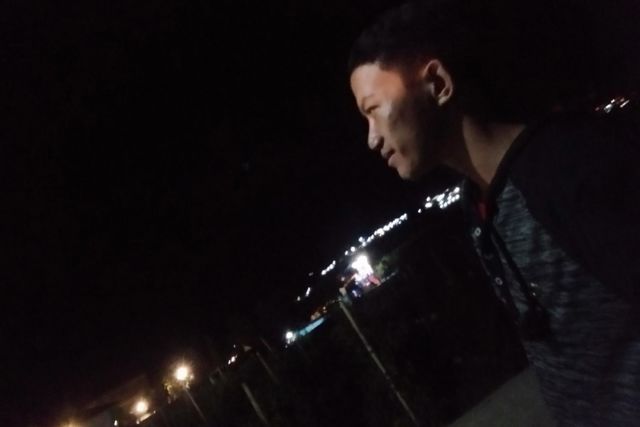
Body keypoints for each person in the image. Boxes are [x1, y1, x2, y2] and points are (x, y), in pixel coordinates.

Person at [348, 1, 640, 425]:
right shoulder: (480, 207)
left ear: (438, 83)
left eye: (373, 110)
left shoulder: (566, 169)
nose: (372, 138)